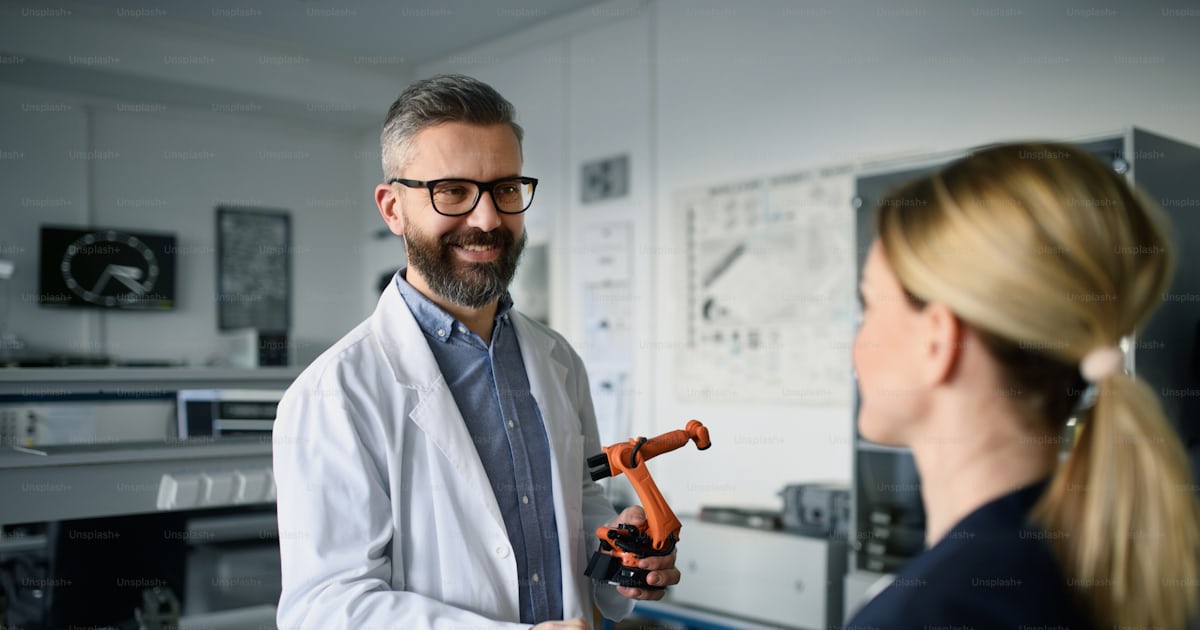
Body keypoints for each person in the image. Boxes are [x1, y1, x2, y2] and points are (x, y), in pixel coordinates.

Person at [272, 74, 677, 629]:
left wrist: (622, 556)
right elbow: (323, 608)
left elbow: (580, 502)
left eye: (505, 189)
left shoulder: (557, 359)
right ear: (393, 208)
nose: (487, 219)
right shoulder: (335, 392)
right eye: (453, 191)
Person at [847, 142, 1200, 628]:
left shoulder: (930, 613)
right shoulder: (1084, 564)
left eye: (870, 305)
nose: (857, 343)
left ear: (937, 341)